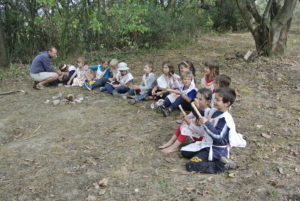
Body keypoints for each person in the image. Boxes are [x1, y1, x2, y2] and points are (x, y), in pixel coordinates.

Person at [184, 88, 246, 174]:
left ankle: (220, 165)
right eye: (215, 99)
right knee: (184, 152)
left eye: (218, 100)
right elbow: (202, 116)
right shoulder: (213, 110)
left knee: (191, 165)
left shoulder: (225, 119)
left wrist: (207, 123)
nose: (215, 101)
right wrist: (196, 109)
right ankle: (205, 157)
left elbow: (219, 137)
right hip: (207, 143)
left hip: (216, 150)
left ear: (226, 103)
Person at [159, 88, 212, 154]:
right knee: (184, 122)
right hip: (196, 132)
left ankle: (174, 147)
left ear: (208, 102)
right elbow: (190, 116)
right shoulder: (198, 108)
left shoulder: (208, 112)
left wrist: (189, 122)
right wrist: (184, 116)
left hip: (202, 137)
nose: (197, 101)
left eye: (200, 99)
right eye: (196, 98)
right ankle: (171, 141)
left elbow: (203, 131)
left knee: (187, 126)